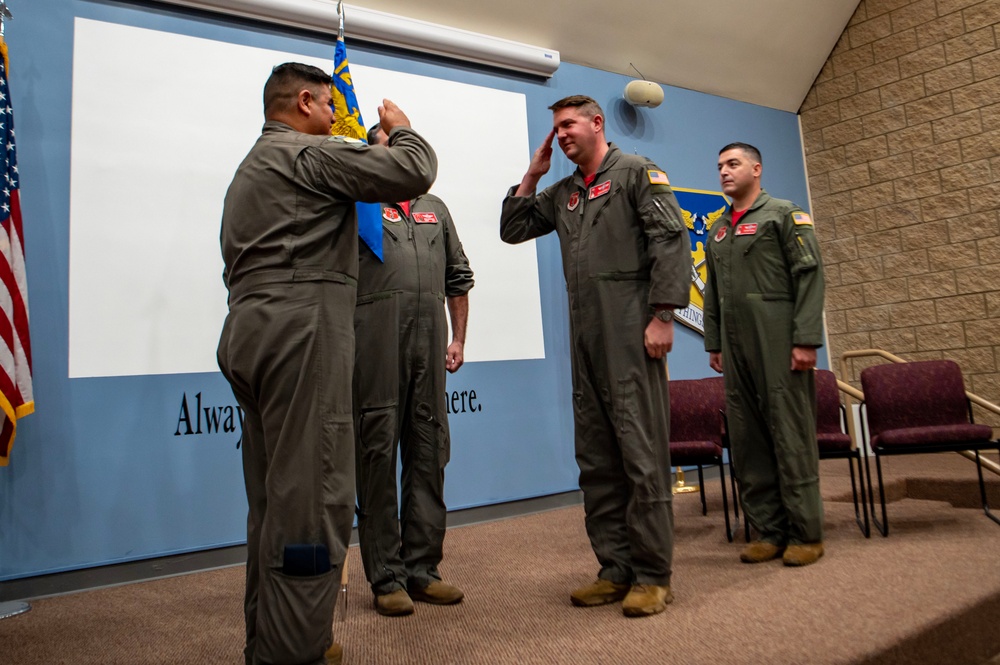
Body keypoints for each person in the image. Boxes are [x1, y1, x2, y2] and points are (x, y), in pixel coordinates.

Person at [216, 62, 437, 665]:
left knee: (272, 504)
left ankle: (271, 642)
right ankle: (295, 653)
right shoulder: (304, 157)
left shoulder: (251, 168)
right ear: (306, 100)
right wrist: (403, 129)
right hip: (301, 331)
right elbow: (413, 171)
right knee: (314, 499)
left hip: (252, 329)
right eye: (332, 106)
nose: (337, 118)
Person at [500, 95, 691, 618]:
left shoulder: (636, 173)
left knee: (641, 456)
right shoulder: (563, 192)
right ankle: (615, 569)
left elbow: (670, 240)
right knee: (598, 461)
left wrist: (663, 316)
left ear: (596, 123)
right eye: (555, 129)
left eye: (568, 125)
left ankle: (653, 575)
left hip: (631, 333)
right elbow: (513, 228)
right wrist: (533, 174)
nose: (560, 135)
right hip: (585, 340)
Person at [353, 123, 475, 617]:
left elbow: (459, 277)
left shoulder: (435, 208)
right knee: (377, 459)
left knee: (428, 455)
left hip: (428, 352)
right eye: (387, 148)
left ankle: (424, 570)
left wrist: (459, 337)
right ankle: (387, 578)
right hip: (375, 350)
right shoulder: (356, 207)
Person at [702, 142, 826, 567]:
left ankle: (806, 533)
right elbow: (712, 292)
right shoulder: (718, 229)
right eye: (719, 166)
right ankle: (768, 531)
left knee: (790, 435)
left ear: (757, 168)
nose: (724, 171)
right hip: (735, 348)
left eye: (733, 164)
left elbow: (809, 276)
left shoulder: (784, 215)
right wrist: (714, 342)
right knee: (748, 438)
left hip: (778, 340)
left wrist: (806, 339)